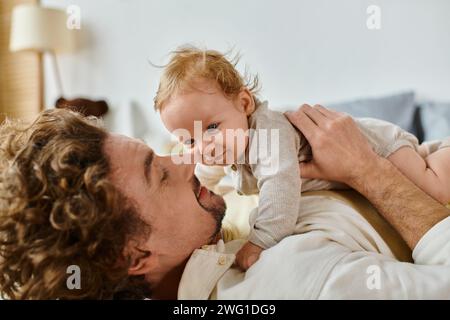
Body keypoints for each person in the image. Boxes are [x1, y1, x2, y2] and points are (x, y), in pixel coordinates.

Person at [0, 107, 449, 300]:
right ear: (132, 255)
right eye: (157, 174)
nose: (182, 160)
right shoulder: (288, 284)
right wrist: (368, 169)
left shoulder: (211, 243)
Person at [154, 46, 450, 270]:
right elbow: (207, 172)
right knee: (424, 160)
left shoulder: (269, 134)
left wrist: (260, 240)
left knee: (434, 186)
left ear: (244, 103)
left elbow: (279, 186)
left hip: (377, 147)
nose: (205, 144)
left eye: (213, 127)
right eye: (190, 138)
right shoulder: (227, 142)